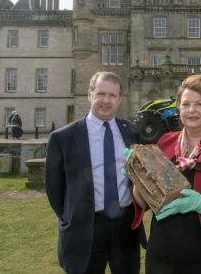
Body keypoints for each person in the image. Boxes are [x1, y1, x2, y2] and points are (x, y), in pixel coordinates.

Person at [129, 74, 201, 273]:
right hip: (162, 255)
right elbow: (143, 202)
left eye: (199, 104)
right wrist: (138, 176)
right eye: (185, 104)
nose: (191, 110)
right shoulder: (165, 142)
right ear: (179, 109)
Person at [45, 71, 145, 274]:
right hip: (85, 228)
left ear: (119, 99)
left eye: (112, 95)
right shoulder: (62, 138)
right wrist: (71, 217)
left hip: (126, 227)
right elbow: (54, 189)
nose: (106, 101)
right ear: (90, 95)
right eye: (100, 94)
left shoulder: (132, 132)